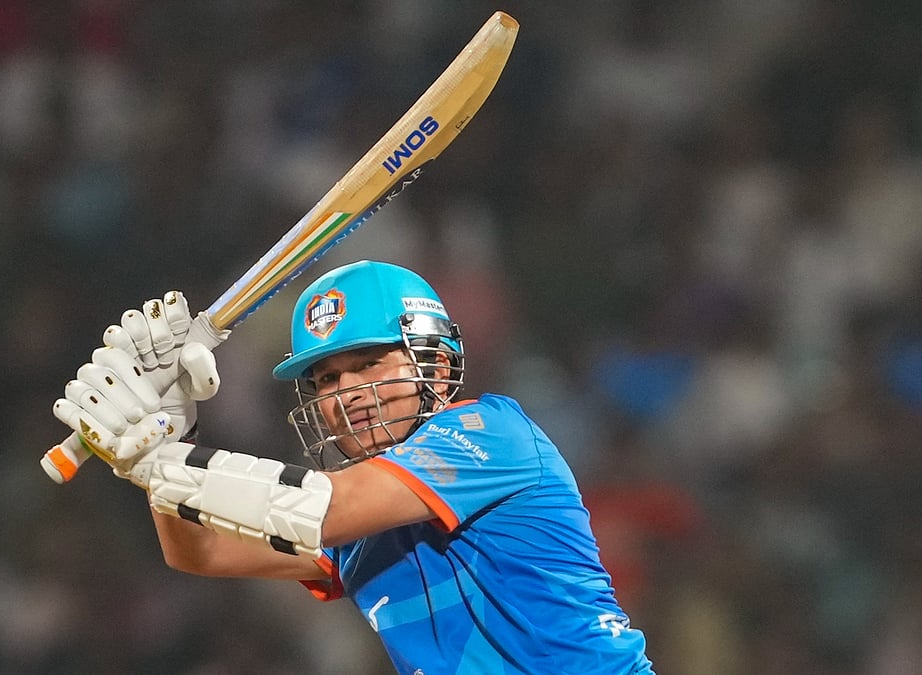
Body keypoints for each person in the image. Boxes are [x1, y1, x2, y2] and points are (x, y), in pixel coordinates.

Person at [53, 260, 654, 674]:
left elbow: (327, 508)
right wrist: (173, 431)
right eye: (327, 379)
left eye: (368, 364)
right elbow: (199, 552)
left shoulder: (491, 434)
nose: (348, 394)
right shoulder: (355, 525)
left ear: (436, 367)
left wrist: (156, 459)